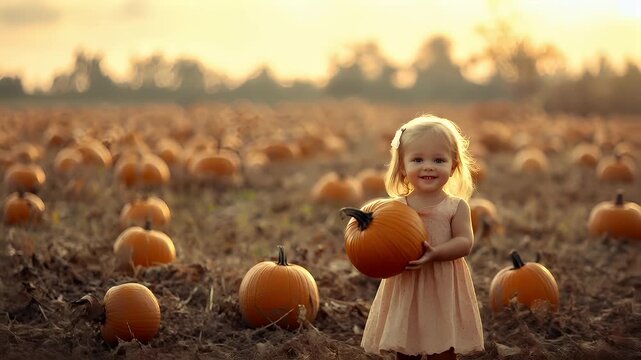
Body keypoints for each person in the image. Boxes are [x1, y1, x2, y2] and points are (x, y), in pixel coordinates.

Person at [361, 115, 484, 360]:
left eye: (438, 159)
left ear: (454, 166)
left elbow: (465, 242)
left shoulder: (456, 207)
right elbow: (379, 238)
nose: (428, 166)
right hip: (407, 281)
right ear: (403, 168)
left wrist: (436, 253)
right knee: (406, 344)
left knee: (443, 344)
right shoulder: (395, 208)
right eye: (418, 159)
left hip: (442, 283)